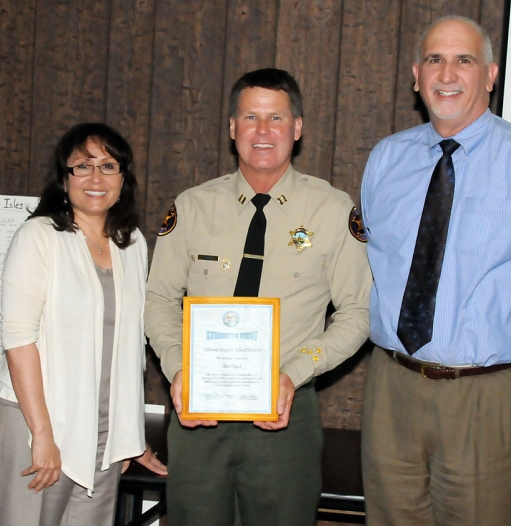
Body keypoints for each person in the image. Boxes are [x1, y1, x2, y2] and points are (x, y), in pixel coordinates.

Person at [360, 16, 511, 526]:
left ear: (490, 74)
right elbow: (373, 264)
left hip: (488, 396)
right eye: (436, 60)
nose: (448, 73)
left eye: (464, 59)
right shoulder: (386, 160)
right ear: (416, 75)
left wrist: (506, 363)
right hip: (392, 390)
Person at [145, 67, 372, 526]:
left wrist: (296, 371)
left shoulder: (331, 211)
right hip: (198, 413)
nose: (263, 131)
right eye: (250, 118)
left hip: (285, 415)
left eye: (276, 119)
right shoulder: (191, 208)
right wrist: (178, 368)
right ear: (232, 128)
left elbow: (359, 312)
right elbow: (158, 301)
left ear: (298, 128)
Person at [0, 123, 166, 526]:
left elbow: (130, 347)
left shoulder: (132, 242)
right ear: (64, 177)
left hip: (104, 432)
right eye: (82, 167)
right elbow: (18, 342)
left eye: (108, 166)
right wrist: (43, 436)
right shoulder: (39, 237)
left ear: (124, 178)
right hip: (36, 422)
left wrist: (130, 437)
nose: (96, 178)